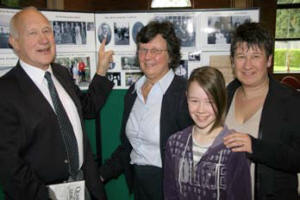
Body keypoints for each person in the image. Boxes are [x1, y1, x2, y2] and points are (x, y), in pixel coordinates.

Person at [0, 7, 114, 200]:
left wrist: (101, 71)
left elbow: (88, 108)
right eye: (32, 33)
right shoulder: (5, 92)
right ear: (14, 42)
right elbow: (10, 167)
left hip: (85, 188)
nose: (43, 39)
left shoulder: (61, 73)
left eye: (47, 31)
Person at [99, 21, 193, 200]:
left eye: (156, 51)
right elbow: (128, 147)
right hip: (140, 186)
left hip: (173, 189)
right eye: (143, 49)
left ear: (171, 56)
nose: (148, 56)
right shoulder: (133, 93)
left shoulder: (185, 94)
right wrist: (100, 175)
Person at [223, 22, 300, 200]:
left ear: (269, 60)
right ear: (233, 61)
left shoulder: (291, 101)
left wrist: (255, 147)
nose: (247, 65)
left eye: (256, 56)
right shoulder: (224, 96)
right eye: (241, 56)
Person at [164, 66, 251, 200]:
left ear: (221, 100)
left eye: (209, 102)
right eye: (194, 101)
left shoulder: (234, 147)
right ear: (186, 98)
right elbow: (170, 193)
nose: (201, 109)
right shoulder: (174, 143)